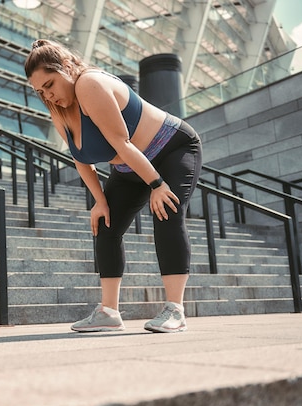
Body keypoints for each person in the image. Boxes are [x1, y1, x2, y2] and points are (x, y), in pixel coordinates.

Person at [24, 39, 202, 333]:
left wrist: (158, 184)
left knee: (166, 212)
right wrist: (100, 201)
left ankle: (176, 310)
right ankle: (108, 313)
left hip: (172, 148)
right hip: (129, 166)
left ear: (67, 67)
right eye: (40, 91)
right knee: (105, 225)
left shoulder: (89, 84)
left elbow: (122, 143)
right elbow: (81, 159)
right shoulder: (58, 110)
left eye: (50, 84)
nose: (48, 95)